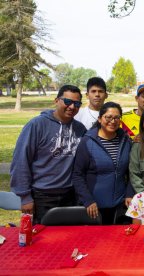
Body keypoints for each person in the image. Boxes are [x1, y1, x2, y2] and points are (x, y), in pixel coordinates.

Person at [10, 85, 87, 224]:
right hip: (42, 195)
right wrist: (25, 197)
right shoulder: (37, 125)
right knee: (42, 240)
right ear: (56, 100)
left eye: (76, 103)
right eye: (67, 102)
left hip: (70, 194)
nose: (72, 107)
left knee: (69, 238)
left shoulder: (80, 129)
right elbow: (21, 161)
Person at [72, 102, 134, 225]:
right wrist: (88, 200)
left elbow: (131, 171)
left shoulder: (125, 140)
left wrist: (129, 193)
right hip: (94, 207)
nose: (113, 121)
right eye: (108, 117)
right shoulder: (88, 142)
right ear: (100, 119)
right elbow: (77, 175)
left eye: (117, 117)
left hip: (120, 205)